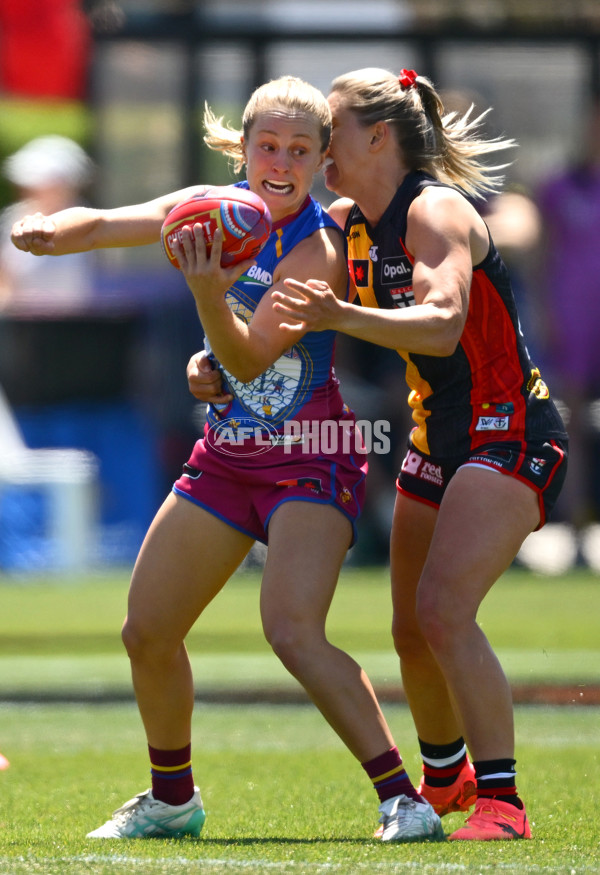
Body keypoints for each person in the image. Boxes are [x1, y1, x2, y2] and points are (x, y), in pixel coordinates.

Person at [10, 76, 443, 843]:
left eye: (300, 150)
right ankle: (172, 798)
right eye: (267, 145)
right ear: (241, 148)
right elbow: (113, 221)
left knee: (292, 630)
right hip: (229, 454)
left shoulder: (317, 248)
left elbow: (245, 358)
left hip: (312, 455)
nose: (281, 161)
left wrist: (208, 299)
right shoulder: (213, 206)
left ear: (319, 162)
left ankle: (403, 799)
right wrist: (50, 230)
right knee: (146, 628)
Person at [271, 67, 569, 841]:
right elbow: (255, 240)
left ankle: (505, 805)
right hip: (438, 436)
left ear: (376, 135)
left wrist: (339, 312)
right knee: (409, 626)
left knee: (443, 610)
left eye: (327, 128)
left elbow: (440, 324)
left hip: (510, 432)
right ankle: (446, 779)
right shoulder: (346, 219)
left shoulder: (434, 210)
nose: (319, 144)